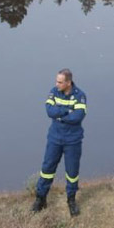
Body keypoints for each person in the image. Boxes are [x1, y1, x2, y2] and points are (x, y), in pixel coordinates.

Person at [31, 68, 87, 217]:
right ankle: (40, 199)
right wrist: (67, 111)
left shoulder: (80, 96)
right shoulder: (54, 91)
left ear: (68, 83)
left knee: (72, 172)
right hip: (54, 138)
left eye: (60, 82)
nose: (56, 84)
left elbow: (78, 117)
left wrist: (60, 115)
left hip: (72, 141)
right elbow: (50, 111)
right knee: (47, 169)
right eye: (56, 81)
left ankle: (71, 201)